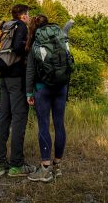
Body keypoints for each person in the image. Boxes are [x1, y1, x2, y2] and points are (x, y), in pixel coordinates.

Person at [25, 15, 74, 182]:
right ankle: (57, 166)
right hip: (61, 87)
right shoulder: (60, 37)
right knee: (59, 125)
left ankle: (45, 170)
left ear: (34, 27)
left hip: (42, 89)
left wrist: (29, 93)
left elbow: (30, 71)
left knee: (44, 126)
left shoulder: (36, 43)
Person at [0, 4, 36, 177]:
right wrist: (29, 47)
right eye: (28, 14)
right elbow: (18, 48)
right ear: (24, 15)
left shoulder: (6, 26)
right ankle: (16, 165)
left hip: (3, 76)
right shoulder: (21, 27)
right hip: (16, 78)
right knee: (19, 118)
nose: (29, 17)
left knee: (4, 118)